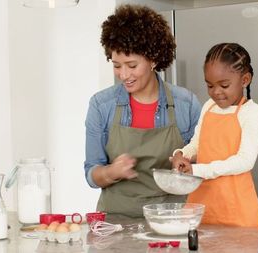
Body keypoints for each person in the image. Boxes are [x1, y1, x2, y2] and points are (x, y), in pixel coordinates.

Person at [84, 4, 201, 217]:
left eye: (132, 65)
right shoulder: (101, 106)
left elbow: (203, 167)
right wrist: (112, 172)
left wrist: (185, 164)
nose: (123, 74)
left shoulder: (187, 104)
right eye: (117, 65)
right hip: (115, 225)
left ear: (153, 59)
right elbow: (92, 173)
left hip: (172, 220)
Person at [171, 43, 258, 228]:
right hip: (200, 207)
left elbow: (245, 161)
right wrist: (182, 154)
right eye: (209, 85)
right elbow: (197, 144)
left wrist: (197, 171)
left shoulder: (252, 113)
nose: (216, 92)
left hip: (236, 212)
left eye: (224, 85)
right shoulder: (209, 106)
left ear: (245, 79)